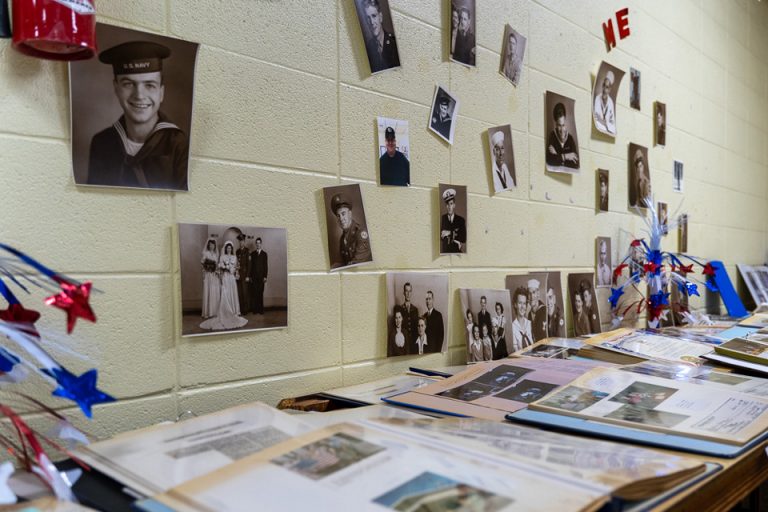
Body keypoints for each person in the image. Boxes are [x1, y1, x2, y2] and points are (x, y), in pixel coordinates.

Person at [88, 41, 189, 190]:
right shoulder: (102, 143)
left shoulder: (178, 144)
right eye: (128, 84)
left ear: (161, 92)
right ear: (116, 88)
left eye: (150, 85)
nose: (139, 96)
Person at [200, 241, 248, 330]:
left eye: (230, 248)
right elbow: (219, 268)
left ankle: (234, 311)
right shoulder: (222, 257)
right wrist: (224, 268)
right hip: (225, 277)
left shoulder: (234, 257)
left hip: (232, 277)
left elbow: (237, 267)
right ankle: (225, 311)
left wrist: (233, 269)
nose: (229, 249)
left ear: (231, 249)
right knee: (225, 293)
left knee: (233, 293)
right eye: (227, 248)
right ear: (225, 249)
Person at [330, 193, 372, 268]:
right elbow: (346, 263)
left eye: (343, 214)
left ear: (350, 214)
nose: (341, 219)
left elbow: (356, 265)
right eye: (338, 216)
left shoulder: (361, 233)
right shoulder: (342, 239)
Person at [360, 0, 399, 73]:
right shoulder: (369, 47)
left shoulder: (395, 43)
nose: (371, 22)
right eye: (368, 18)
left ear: (380, 17)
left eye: (374, 16)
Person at [546, 102, 579, 170]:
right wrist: (566, 156)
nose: (562, 129)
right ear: (555, 124)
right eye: (559, 125)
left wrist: (557, 156)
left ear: (565, 122)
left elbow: (576, 163)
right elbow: (549, 160)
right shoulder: (552, 136)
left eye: (563, 125)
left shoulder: (570, 138)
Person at [440, 188, 466, 253]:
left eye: (451, 204)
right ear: (446, 206)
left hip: (456, 252)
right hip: (445, 253)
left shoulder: (460, 220)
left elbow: (463, 238)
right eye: (447, 204)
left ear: (454, 205)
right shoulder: (442, 219)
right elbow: (440, 237)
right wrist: (456, 240)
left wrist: (449, 233)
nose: (449, 206)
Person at [200, 239, 220, 319]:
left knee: (214, 291)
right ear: (208, 245)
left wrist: (216, 270)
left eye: (213, 245)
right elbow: (202, 263)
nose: (212, 246)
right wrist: (206, 269)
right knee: (208, 291)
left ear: (215, 246)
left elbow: (217, 265)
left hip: (214, 275)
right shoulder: (206, 253)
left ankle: (214, 311)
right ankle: (207, 312)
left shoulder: (216, 254)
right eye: (210, 244)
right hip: (208, 275)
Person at [248, 237, 268, 314]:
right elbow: (251, 266)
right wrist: (250, 276)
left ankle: (261, 310)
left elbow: (266, 266)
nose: (258, 244)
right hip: (254, 277)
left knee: (260, 292)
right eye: (257, 243)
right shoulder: (252, 254)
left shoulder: (264, 254)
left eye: (259, 243)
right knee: (254, 293)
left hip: (261, 277)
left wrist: (265, 276)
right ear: (255, 244)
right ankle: (255, 310)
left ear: (261, 244)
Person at [510, 287, 533, 352]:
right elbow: (516, 353)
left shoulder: (530, 324)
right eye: (520, 303)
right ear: (515, 305)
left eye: (524, 303)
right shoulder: (512, 328)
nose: (522, 307)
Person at [593, 70, 616, 135]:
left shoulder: (611, 103)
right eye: (604, 85)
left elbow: (613, 128)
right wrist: (606, 124)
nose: (604, 90)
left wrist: (603, 122)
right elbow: (596, 120)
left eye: (607, 87)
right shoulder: (597, 98)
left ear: (609, 90)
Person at [235, 234, 250, 314]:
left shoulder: (247, 251)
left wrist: (248, 276)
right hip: (238, 275)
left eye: (242, 241)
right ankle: (240, 309)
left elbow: (249, 265)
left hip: (245, 275)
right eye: (240, 241)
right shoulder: (237, 251)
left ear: (244, 242)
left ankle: (245, 310)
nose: (241, 243)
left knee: (245, 293)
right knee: (239, 293)